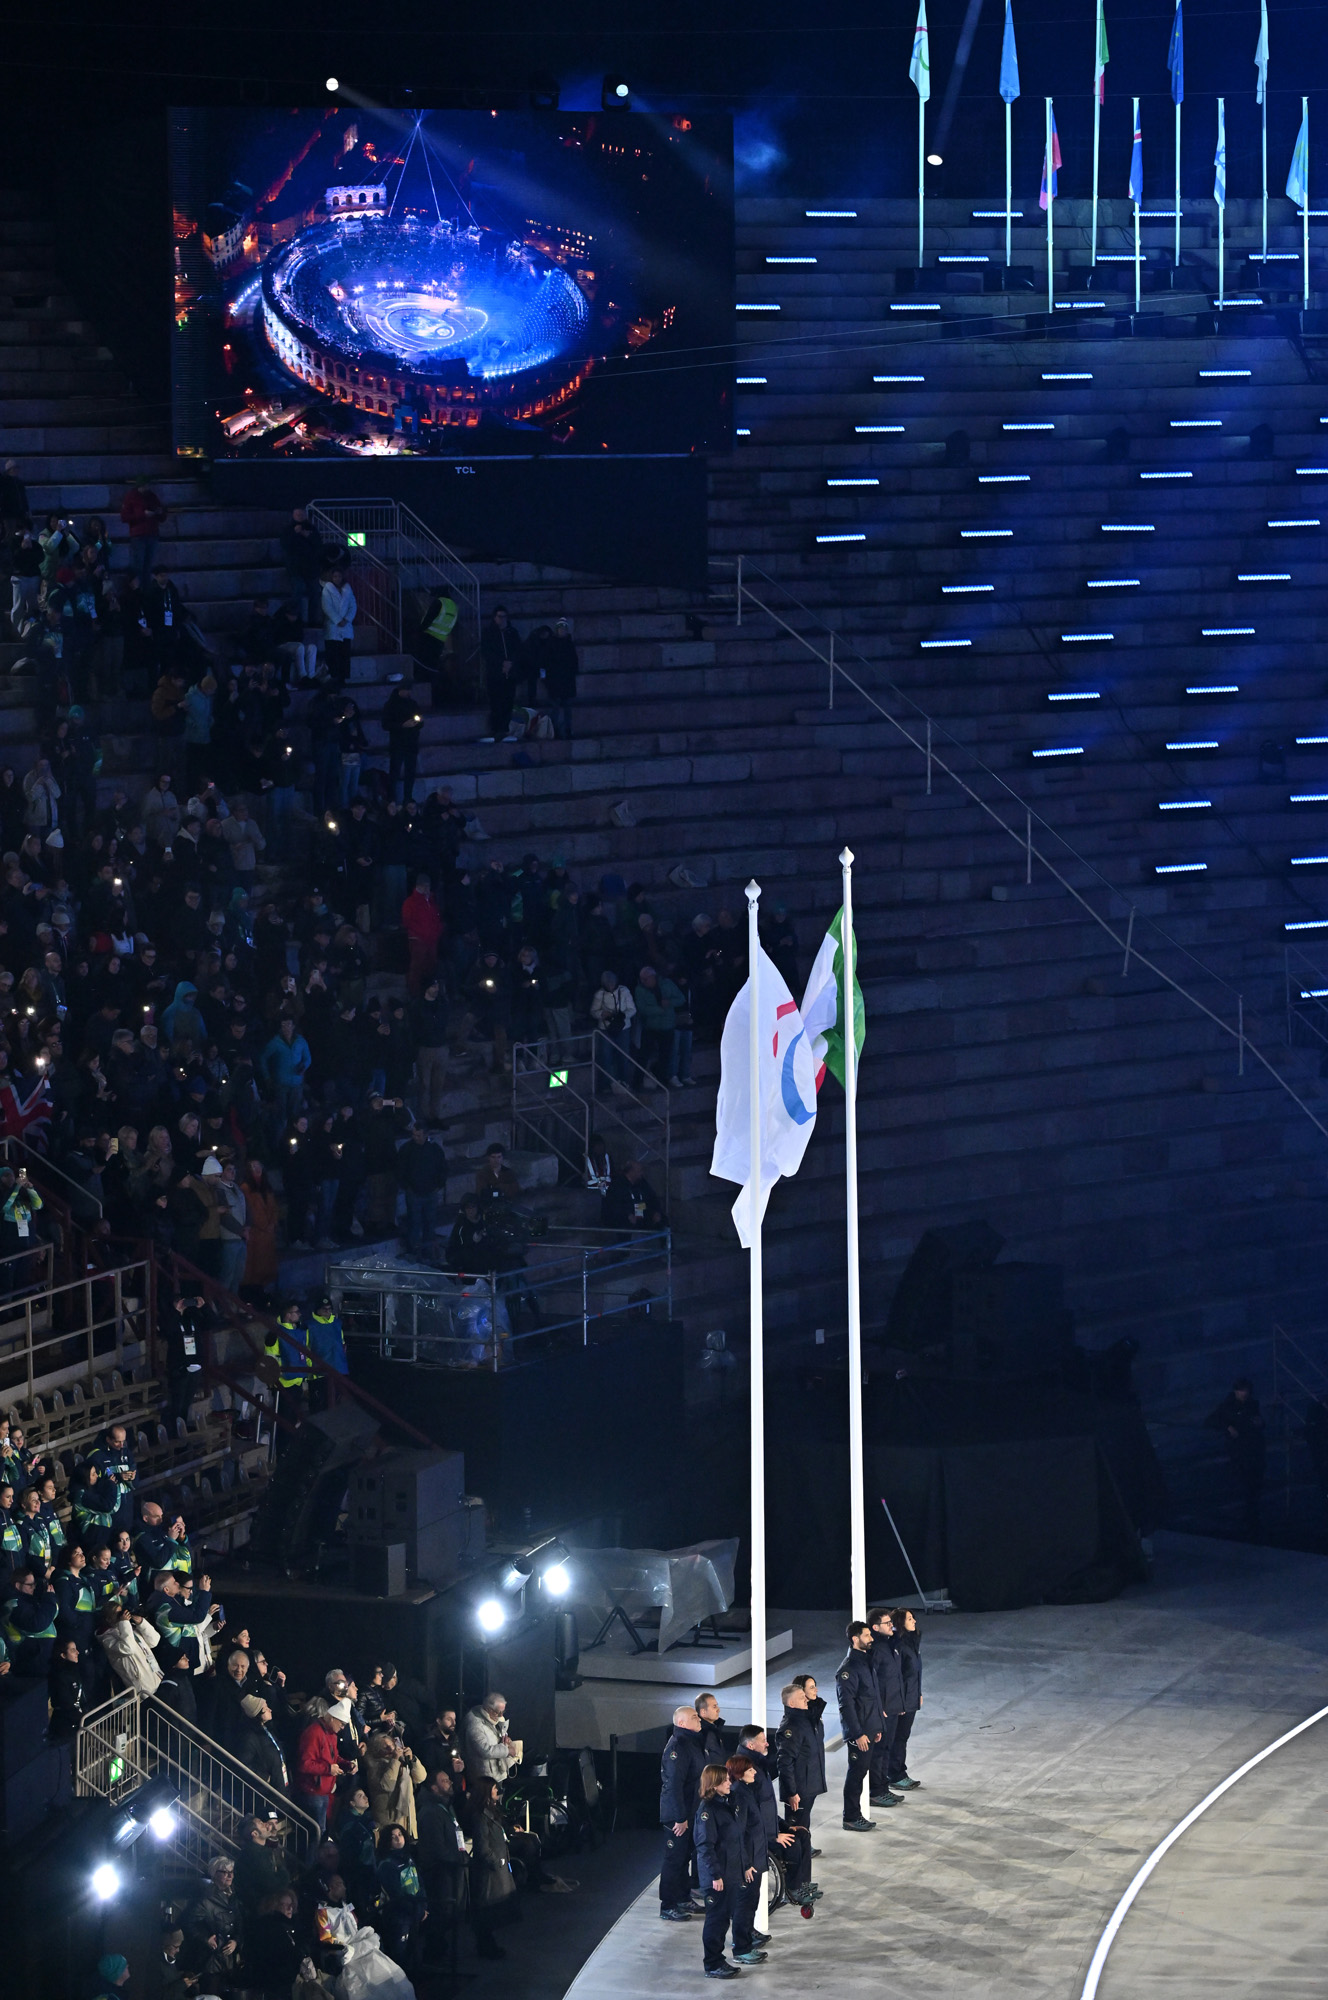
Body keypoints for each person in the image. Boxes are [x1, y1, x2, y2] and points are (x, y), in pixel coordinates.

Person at [735, 1722, 817, 1906]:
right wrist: (773, 1836)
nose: (768, 1744)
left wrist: (786, 1826)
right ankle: (793, 1890)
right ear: (751, 1745)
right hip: (759, 1836)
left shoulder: (758, 1765)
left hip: (769, 1828)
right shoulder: (746, 1771)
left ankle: (803, 1884)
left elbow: (766, 1808)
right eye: (763, 1741)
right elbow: (751, 1817)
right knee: (792, 1844)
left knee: (802, 1834)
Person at [694, 1763, 743, 1980]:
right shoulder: (708, 1811)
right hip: (717, 1877)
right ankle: (712, 1964)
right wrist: (715, 1875)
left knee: (723, 1919)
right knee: (716, 1920)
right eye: (724, 1780)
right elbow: (705, 1846)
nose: (729, 1782)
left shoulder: (724, 1805)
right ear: (714, 1784)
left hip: (728, 1872)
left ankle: (718, 1959)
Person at [415, 1766, 470, 1961]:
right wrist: (457, 1857)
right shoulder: (430, 1813)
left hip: (450, 1871)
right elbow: (435, 1848)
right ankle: (435, 1953)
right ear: (434, 1788)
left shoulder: (446, 1808)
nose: (450, 1783)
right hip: (439, 1874)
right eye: (444, 1781)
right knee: (440, 1915)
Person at [659, 1703, 706, 1922]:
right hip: (678, 1816)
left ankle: (683, 1897)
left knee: (685, 1857)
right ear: (681, 1723)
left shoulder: (693, 1743)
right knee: (674, 1859)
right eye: (694, 1717)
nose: (699, 1719)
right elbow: (674, 1785)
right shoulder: (678, 1746)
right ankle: (668, 1905)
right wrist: (680, 1818)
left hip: (691, 1812)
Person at [1204, 1377, 1267, 1533]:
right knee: (1246, 1482)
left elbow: (1260, 1423)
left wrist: (1260, 1423)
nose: (1244, 1394)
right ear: (1236, 1391)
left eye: (1246, 1391)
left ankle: (1252, 1514)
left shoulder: (1252, 1404)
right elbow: (1210, 1421)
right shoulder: (1227, 1406)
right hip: (1240, 1451)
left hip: (1255, 1448)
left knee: (1255, 1483)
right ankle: (1249, 1516)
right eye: (1241, 1391)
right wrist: (1227, 1427)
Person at [725, 1756, 771, 1965]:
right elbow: (738, 1834)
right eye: (749, 1770)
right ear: (739, 1773)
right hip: (748, 1862)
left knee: (751, 1903)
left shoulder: (747, 1792)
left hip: (755, 1857)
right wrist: (745, 1865)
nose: (754, 1773)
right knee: (744, 1905)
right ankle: (741, 1949)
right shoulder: (739, 1796)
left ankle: (748, 1939)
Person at [835, 1620, 880, 1831]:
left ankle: (855, 1814)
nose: (871, 1639)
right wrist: (858, 1734)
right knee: (856, 1774)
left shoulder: (865, 1661)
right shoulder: (848, 1668)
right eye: (867, 1635)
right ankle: (851, 1817)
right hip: (859, 1733)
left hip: (869, 1729)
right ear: (855, 1639)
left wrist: (876, 1727)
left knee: (861, 1772)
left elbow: (871, 1698)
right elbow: (847, 1706)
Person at [468, 1775, 519, 1960]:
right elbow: (483, 1848)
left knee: (489, 1911)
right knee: (486, 1911)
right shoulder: (481, 1817)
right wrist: (497, 1862)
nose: (498, 1791)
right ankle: (486, 1947)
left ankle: (487, 1945)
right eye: (494, 1788)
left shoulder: (490, 1814)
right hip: (490, 1873)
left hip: (496, 1870)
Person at [774, 1677, 826, 1838]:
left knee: (804, 1822)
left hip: (808, 1783)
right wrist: (791, 1791)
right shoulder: (791, 1726)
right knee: (795, 1825)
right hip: (799, 1787)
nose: (806, 1699)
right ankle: (796, 1853)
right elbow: (785, 1761)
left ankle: (804, 1846)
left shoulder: (806, 1720)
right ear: (791, 1704)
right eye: (801, 1698)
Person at [867, 1606, 907, 1810]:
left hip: (893, 1706)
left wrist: (899, 1703)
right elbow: (873, 1681)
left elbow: (894, 1678)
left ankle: (883, 1787)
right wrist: (879, 1707)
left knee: (887, 1747)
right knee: (879, 1751)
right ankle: (876, 1791)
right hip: (882, 1709)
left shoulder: (891, 1645)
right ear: (875, 1627)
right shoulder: (875, 1649)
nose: (892, 1626)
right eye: (887, 1623)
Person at [376, 1822, 427, 1972]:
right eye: (393, 1837)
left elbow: (419, 1882)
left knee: (415, 1953)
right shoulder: (386, 1865)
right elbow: (396, 1894)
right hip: (399, 1916)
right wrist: (418, 1911)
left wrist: (423, 1906)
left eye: (400, 1835)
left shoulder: (409, 1858)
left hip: (415, 1913)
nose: (398, 1839)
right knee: (401, 1956)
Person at [396, 1124, 447, 1257]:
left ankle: (428, 1251)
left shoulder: (434, 1150)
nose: (415, 1138)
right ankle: (413, 1251)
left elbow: (443, 1168)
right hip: (414, 1192)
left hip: (430, 1192)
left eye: (418, 1135)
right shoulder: (406, 1149)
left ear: (425, 1134)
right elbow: (400, 1170)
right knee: (414, 1222)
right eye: (414, 1135)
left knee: (429, 1222)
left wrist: (439, 1185)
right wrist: (407, 1186)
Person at [890, 1607, 924, 1789]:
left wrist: (918, 1693)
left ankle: (898, 1771)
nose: (914, 1621)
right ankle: (895, 1774)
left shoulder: (912, 1642)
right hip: (902, 1701)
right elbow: (898, 1676)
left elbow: (914, 1672)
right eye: (910, 1619)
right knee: (898, 1737)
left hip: (910, 1697)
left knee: (903, 1736)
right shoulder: (898, 1645)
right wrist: (901, 1701)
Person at [480, 607, 520, 744]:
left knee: (508, 702)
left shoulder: (512, 633)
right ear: (494, 617)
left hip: (510, 674)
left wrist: (511, 662)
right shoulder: (489, 633)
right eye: (499, 616)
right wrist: (501, 663)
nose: (502, 619)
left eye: (504, 616)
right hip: (495, 673)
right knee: (496, 702)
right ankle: (496, 729)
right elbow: (486, 652)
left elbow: (518, 650)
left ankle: (505, 728)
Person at [463, 1689, 519, 1786]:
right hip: (485, 1777)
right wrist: (507, 1751)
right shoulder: (475, 1725)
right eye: (498, 1712)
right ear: (488, 1709)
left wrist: (504, 1740)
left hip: (496, 1773)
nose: (501, 1715)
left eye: (503, 1711)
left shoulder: (491, 1717)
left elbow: (496, 1736)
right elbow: (484, 1750)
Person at [601, 1157, 665, 1236]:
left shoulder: (642, 1182)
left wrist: (656, 1211)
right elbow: (613, 1205)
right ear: (631, 1171)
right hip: (625, 1217)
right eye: (639, 1171)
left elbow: (652, 1197)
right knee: (624, 1224)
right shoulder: (617, 1185)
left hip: (641, 1213)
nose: (642, 1173)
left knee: (663, 1220)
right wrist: (627, 1215)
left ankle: (667, 1246)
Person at [120, 477, 168, 580]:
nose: (146, 488)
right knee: (138, 566)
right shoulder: (131, 497)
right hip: (138, 535)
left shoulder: (152, 496)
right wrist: (142, 515)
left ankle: (146, 591)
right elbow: (125, 517)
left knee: (149, 566)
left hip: (152, 534)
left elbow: (162, 516)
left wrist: (160, 513)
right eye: (144, 486)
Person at [321, 565, 357, 686]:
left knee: (344, 655)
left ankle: (343, 678)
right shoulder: (327, 589)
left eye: (339, 576)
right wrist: (337, 620)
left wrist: (346, 619)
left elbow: (353, 605)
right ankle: (334, 677)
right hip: (333, 626)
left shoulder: (348, 589)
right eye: (335, 576)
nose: (337, 578)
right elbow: (327, 607)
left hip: (345, 627)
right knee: (333, 654)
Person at [544, 617, 578, 739]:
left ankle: (567, 729)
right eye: (560, 629)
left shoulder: (569, 644)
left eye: (564, 629)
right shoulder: (551, 644)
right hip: (555, 682)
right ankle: (554, 730)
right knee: (555, 708)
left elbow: (574, 663)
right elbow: (546, 662)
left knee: (567, 708)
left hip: (567, 682)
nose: (562, 631)